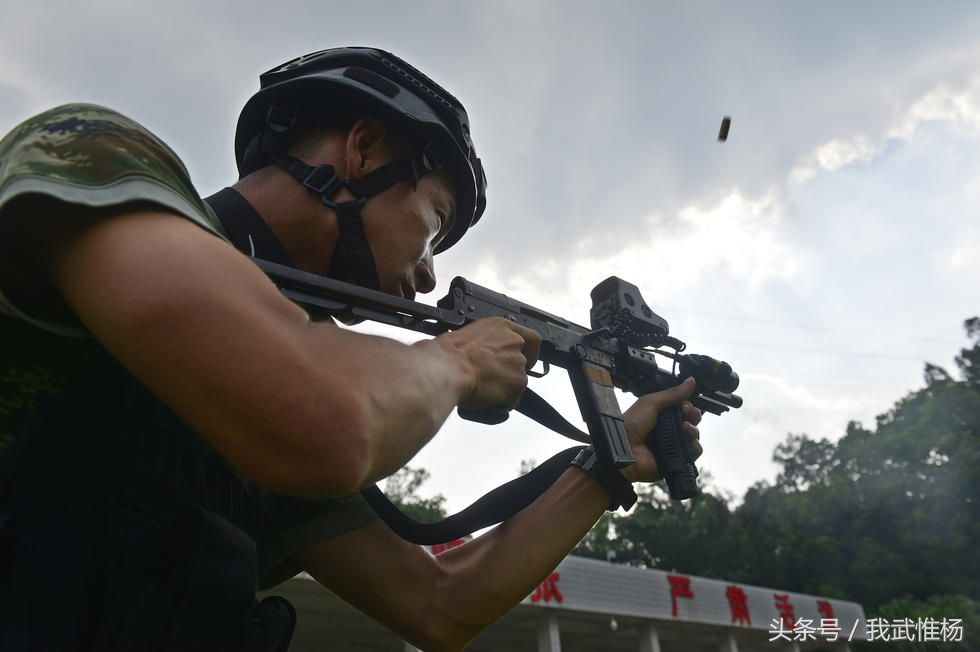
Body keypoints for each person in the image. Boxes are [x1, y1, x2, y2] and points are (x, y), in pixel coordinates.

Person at [0, 47, 703, 651]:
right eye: (436, 220)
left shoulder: (271, 406)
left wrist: (608, 470)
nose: (429, 273)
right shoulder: (93, 152)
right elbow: (328, 421)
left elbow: (440, 604)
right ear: (361, 151)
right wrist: (460, 361)